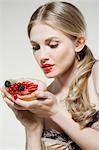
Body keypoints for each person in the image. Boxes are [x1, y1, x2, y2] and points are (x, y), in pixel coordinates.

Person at [3, 1, 99, 150]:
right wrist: (32, 129)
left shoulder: (96, 75)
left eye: (53, 45)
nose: (42, 56)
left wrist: (56, 112)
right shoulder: (43, 100)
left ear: (78, 43)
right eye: (36, 47)